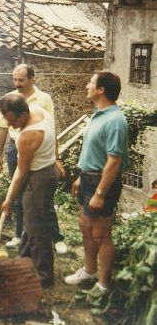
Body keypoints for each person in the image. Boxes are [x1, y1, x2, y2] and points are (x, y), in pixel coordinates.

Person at [64, 72, 128, 297]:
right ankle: (89, 271)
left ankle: (102, 285)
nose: (87, 85)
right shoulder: (98, 114)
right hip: (89, 177)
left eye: (91, 82)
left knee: (101, 234)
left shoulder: (115, 120)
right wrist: (82, 176)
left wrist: (100, 192)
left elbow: (114, 160)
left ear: (101, 90)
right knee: (85, 226)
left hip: (103, 182)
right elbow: (95, 151)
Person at [0, 64, 67, 255]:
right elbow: (3, 128)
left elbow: (52, 131)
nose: (17, 84)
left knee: (40, 201)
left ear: (32, 79)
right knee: (22, 197)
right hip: (15, 147)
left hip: (37, 155)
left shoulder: (43, 101)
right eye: (15, 80)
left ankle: (56, 237)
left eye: (21, 80)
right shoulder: (9, 101)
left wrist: (56, 158)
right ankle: (21, 235)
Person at [0, 94, 59, 287]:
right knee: (30, 222)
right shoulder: (40, 112)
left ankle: (44, 277)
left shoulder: (28, 136)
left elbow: (20, 172)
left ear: (24, 112)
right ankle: (23, 262)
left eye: (13, 120)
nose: (11, 126)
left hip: (37, 179)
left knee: (37, 230)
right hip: (48, 171)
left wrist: (9, 199)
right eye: (7, 122)